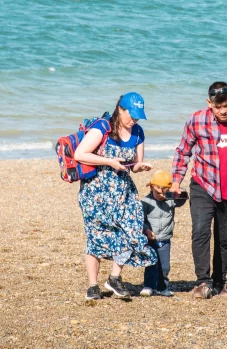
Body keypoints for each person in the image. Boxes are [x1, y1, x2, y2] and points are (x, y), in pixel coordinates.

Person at [169, 82, 227, 299]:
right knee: (200, 231)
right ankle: (203, 282)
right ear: (209, 103)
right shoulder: (197, 119)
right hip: (204, 184)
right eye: (217, 106)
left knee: (225, 238)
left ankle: (220, 283)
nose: (222, 111)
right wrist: (176, 181)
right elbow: (183, 151)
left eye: (226, 105)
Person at [74, 92, 155, 301]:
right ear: (121, 109)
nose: (134, 120)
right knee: (97, 235)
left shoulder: (138, 132)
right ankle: (93, 286)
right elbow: (80, 154)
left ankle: (114, 278)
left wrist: (140, 167)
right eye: (131, 115)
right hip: (96, 191)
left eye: (138, 116)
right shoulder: (103, 127)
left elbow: (134, 165)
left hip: (123, 191)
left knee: (132, 229)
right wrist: (110, 161)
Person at [139, 170, 187, 297]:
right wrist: (146, 230)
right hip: (151, 239)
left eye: (164, 192)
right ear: (151, 187)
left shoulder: (170, 200)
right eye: (158, 192)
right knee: (151, 263)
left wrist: (178, 191)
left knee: (164, 267)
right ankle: (148, 286)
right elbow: (140, 219)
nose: (161, 195)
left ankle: (162, 287)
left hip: (165, 238)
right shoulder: (146, 202)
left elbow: (183, 198)